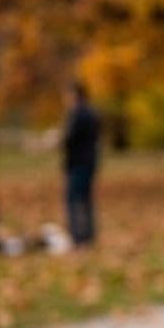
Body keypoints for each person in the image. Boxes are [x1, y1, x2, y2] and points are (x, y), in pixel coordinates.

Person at [62, 81, 101, 246]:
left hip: (78, 163)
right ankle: (89, 235)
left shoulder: (77, 114)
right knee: (86, 200)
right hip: (90, 162)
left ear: (74, 94)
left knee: (74, 200)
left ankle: (78, 237)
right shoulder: (93, 113)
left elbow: (69, 139)